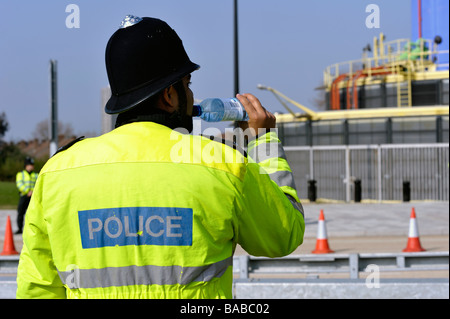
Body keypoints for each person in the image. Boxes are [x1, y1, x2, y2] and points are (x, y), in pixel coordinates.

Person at [16, 15, 305, 299]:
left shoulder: (58, 172)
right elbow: (284, 233)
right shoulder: (222, 165)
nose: (192, 96)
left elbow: (37, 288)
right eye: (187, 84)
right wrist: (263, 141)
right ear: (169, 95)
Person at [15, 157, 38, 234]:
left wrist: (33, 192)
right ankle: (19, 229)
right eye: (31, 165)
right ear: (26, 165)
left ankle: (31, 230)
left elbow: (38, 184)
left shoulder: (36, 175)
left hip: (33, 197)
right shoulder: (20, 174)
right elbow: (19, 184)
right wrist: (27, 191)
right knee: (20, 213)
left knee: (33, 214)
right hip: (24, 196)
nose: (32, 166)